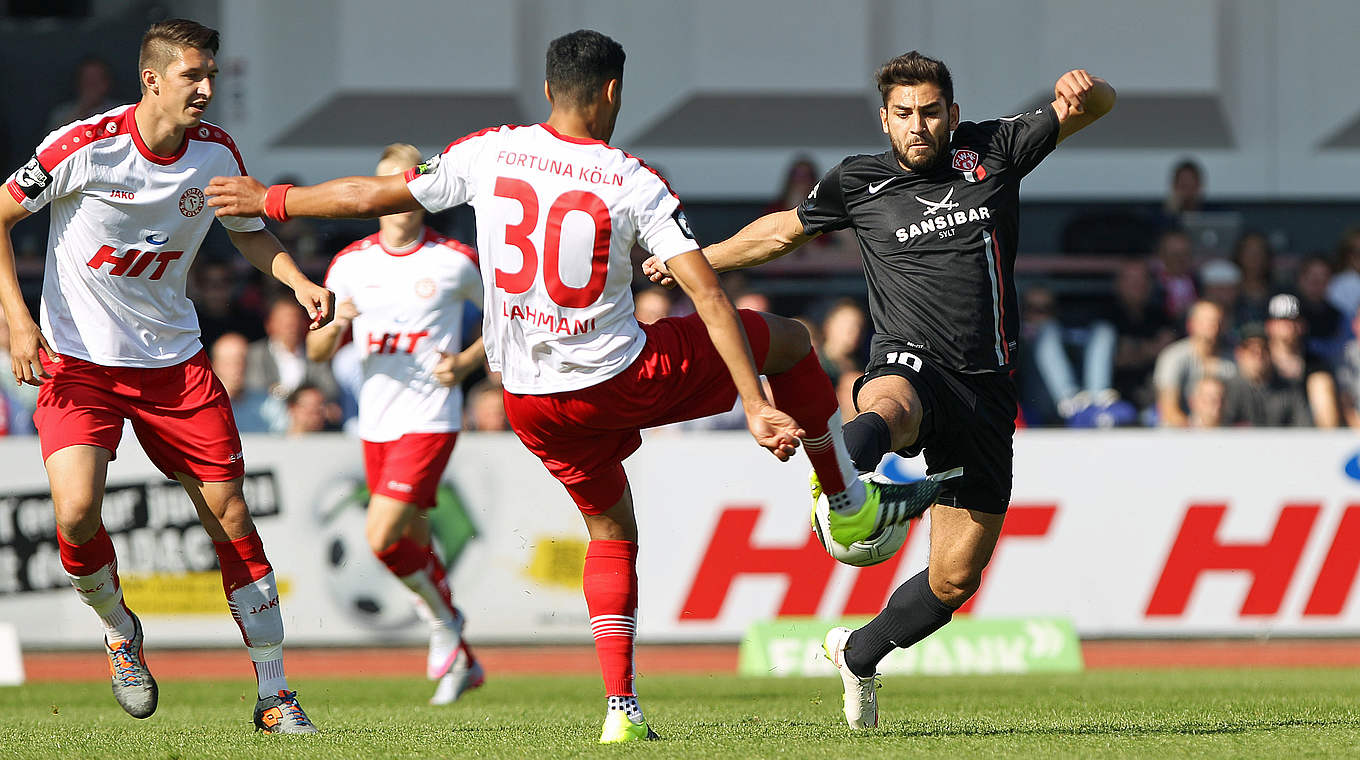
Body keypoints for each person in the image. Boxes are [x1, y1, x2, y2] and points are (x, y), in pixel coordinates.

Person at [206, 29, 936, 744]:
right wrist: (752, 402)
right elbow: (709, 297)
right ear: (613, 92)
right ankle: (843, 501)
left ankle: (622, 709)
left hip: (531, 401)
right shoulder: (630, 178)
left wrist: (271, 200)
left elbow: (372, 192)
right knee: (789, 341)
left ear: (550, 89)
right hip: (621, 374)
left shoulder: (488, 151)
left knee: (610, 530)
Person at [646, 51, 1114, 728]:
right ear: (884, 119)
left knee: (954, 582)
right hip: (910, 359)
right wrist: (695, 261)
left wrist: (1089, 93)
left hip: (987, 390)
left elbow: (1090, 112)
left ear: (951, 114)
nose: (918, 126)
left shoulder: (996, 149)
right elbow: (780, 232)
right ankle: (836, 485)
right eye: (904, 114)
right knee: (889, 405)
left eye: (930, 112)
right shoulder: (858, 182)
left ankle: (858, 654)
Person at [0, 20, 325, 733]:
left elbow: (245, 227)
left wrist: (296, 280)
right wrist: (17, 322)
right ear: (153, 79)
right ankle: (120, 630)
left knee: (231, 516)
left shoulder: (216, 153)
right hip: (78, 364)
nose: (207, 89)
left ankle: (275, 695)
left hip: (174, 366)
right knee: (76, 514)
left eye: (210, 75)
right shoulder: (84, 144)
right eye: (193, 76)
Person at [306, 142, 488, 706]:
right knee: (411, 541)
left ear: (425, 193)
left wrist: (463, 363)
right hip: (375, 424)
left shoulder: (455, 260)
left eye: (411, 184)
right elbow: (315, 352)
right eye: (389, 184)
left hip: (432, 418)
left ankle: (444, 623)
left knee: (381, 537)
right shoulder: (350, 265)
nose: (400, 195)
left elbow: (506, 320)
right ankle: (461, 653)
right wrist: (337, 325)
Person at [1152, 300, 1236, 427]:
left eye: (1217, 321)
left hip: (1224, 435)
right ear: (1191, 324)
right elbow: (1168, 410)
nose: (1213, 326)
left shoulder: (1232, 360)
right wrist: (1196, 437)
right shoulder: (1173, 357)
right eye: (1206, 321)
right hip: (1180, 436)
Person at [1263, 293, 1340, 428]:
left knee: (1321, 382)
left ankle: (1329, 444)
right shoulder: (1259, 359)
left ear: (1302, 325)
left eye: (1294, 320)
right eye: (1282, 320)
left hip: (1307, 429)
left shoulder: (1316, 363)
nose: (1289, 326)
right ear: (1269, 325)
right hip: (1263, 425)